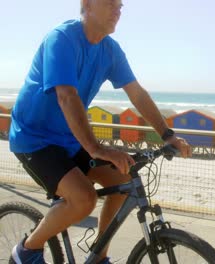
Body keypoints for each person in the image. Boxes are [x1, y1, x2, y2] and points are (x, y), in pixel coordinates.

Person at [9, 0, 192, 263]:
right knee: (84, 199)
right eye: (110, 3)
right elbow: (67, 97)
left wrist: (167, 134)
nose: (118, 9)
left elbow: (137, 94)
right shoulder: (61, 39)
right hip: (34, 139)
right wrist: (97, 148)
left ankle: (98, 256)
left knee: (123, 182)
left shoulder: (110, 50)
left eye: (120, 5)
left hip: (71, 140)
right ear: (87, 5)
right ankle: (26, 251)